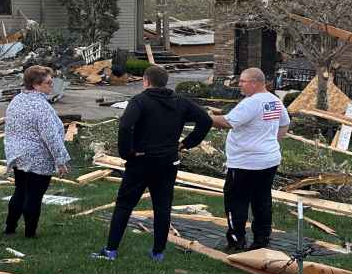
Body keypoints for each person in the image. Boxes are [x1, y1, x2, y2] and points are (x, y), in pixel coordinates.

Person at [93, 64, 212, 261]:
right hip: (167, 162)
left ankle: (111, 250)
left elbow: (125, 126)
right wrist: (185, 144)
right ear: (165, 82)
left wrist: (127, 153)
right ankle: (158, 252)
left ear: (146, 81)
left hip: (141, 161)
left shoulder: (140, 101)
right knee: (162, 207)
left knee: (124, 205)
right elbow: (205, 120)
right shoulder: (180, 102)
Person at [211, 67, 290, 251]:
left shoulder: (252, 103)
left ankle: (236, 240)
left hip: (245, 163)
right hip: (268, 161)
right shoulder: (274, 101)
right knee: (262, 200)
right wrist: (270, 142)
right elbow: (284, 124)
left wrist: (204, 117)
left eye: (242, 81)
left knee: (236, 201)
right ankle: (262, 240)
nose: (239, 85)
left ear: (255, 83)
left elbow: (227, 122)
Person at [3, 65, 70, 238]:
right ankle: (30, 233)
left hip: (18, 154)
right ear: (35, 85)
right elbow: (51, 137)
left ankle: (10, 228)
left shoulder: (16, 100)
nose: (51, 86)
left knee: (20, 191)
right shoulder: (41, 107)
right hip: (37, 156)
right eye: (48, 83)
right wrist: (60, 161)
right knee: (34, 195)